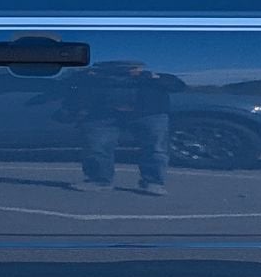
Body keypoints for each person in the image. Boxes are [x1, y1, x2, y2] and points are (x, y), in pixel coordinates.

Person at [62, 60, 183, 194]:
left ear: (140, 68)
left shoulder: (154, 78)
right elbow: (70, 87)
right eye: (117, 69)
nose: (123, 72)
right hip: (103, 114)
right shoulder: (91, 77)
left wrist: (150, 77)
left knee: (156, 148)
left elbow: (178, 86)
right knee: (96, 147)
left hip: (150, 114)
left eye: (129, 69)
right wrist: (87, 76)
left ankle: (154, 182)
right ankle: (99, 180)